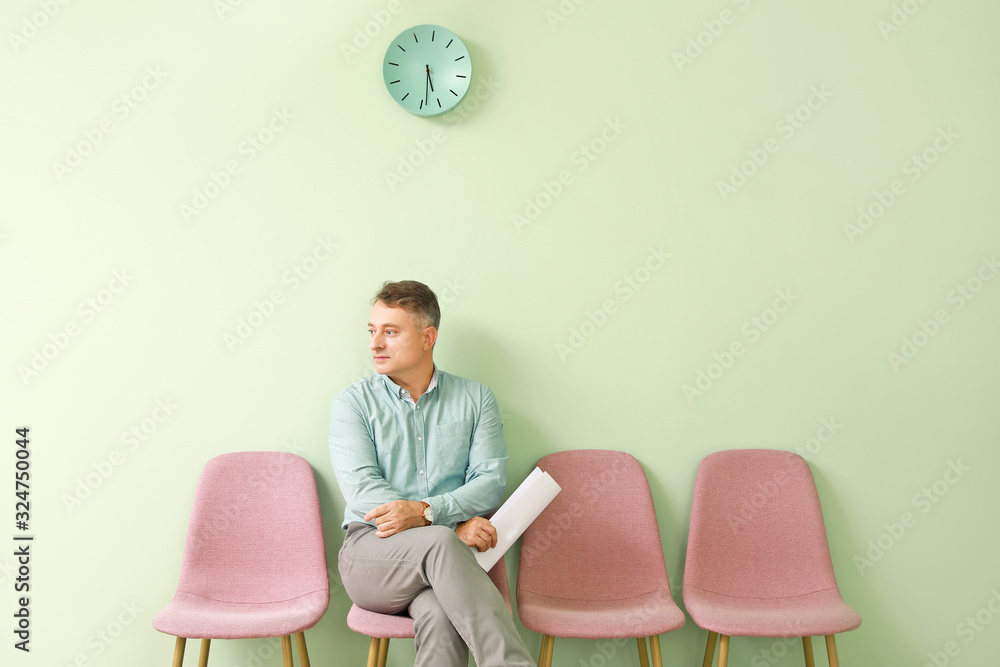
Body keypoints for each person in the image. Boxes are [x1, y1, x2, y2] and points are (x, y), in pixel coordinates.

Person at [329, 280, 536, 667]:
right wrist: (445, 524)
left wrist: (426, 512)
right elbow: (363, 492)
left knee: (441, 615)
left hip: (444, 566)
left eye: (390, 332)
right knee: (440, 543)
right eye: (372, 331)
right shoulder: (352, 405)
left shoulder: (476, 399)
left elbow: (489, 484)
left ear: (428, 337)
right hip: (371, 554)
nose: (375, 344)